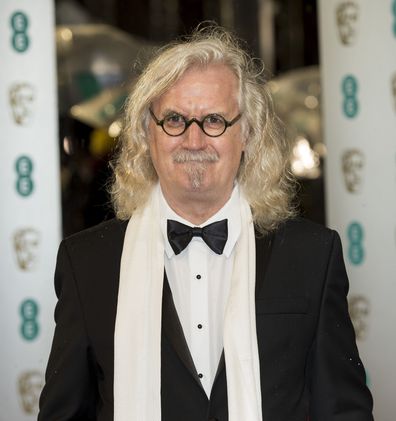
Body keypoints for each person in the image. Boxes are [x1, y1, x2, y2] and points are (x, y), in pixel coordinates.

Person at [38, 25, 374, 421]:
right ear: (149, 133)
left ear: (246, 133)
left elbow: (343, 412)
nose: (194, 142)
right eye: (175, 120)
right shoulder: (87, 262)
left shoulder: (313, 255)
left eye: (214, 120)